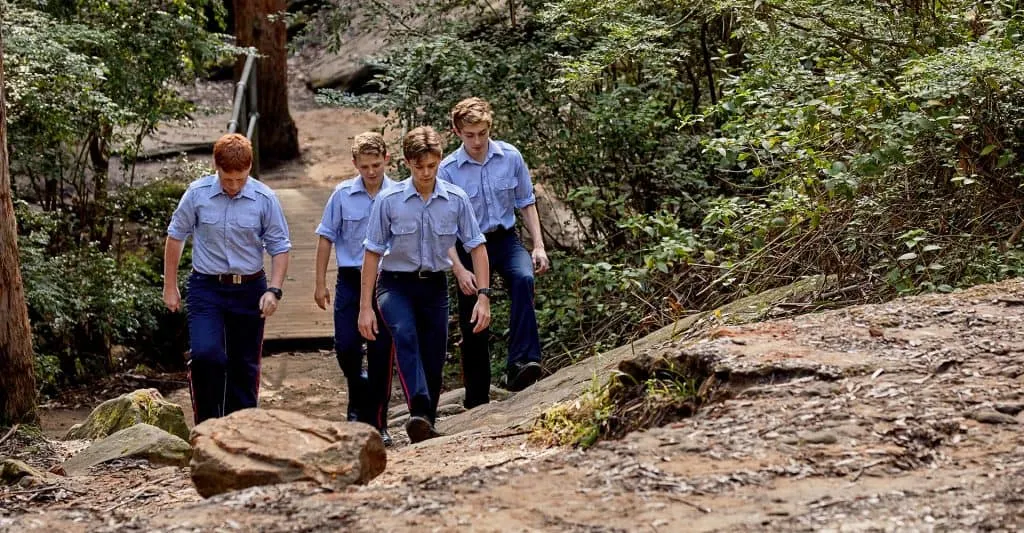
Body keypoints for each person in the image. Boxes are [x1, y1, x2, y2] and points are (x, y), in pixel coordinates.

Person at [357, 126, 491, 443]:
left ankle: (424, 422)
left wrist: (483, 297)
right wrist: (365, 307)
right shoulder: (389, 201)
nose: (426, 172)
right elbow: (372, 253)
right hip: (394, 284)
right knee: (404, 335)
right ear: (407, 163)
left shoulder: (455, 199)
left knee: (433, 355)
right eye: (419, 166)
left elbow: (477, 246)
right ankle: (417, 405)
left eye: (432, 165)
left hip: (434, 286)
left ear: (439, 162)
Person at [163, 133, 291, 425]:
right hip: (207, 287)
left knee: (243, 366)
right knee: (208, 356)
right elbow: (175, 236)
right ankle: (207, 425)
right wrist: (169, 286)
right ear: (216, 167)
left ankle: (241, 430)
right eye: (227, 179)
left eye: (240, 179)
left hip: (250, 288)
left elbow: (280, 248)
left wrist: (274, 289)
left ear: (249, 169)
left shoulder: (264, 199)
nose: (234, 186)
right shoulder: (197, 194)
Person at [438, 97, 549, 408]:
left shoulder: (510, 157)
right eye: (469, 134)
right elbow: (443, 226)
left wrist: (538, 245)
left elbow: (526, 201)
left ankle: (522, 364)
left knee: (524, 278)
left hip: (504, 238)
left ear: (490, 128)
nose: (477, 141)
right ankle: (476, 396)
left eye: (482, 133)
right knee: (474, 315)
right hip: (468, 247)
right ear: (457, 131)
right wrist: (458, 267)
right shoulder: (447, 170)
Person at [314, 132, 396, 446]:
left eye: (376, 164)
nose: (372, 172)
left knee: (380, 353)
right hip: (350, 278)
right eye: (365, 166)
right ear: (355, 164)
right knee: (346, 347)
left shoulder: (398, 193)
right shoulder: (342, 194)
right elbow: (325, 237)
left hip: (386, 280)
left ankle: (378, 423)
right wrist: (320, 282)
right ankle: (357, 391)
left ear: (386, 160)